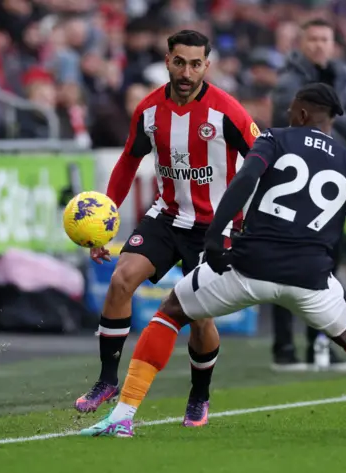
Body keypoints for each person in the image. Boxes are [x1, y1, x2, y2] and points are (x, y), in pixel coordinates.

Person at [80, 83, 346, 438]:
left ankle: (123, 415)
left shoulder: (276, 138)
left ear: (304, 113)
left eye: (292, 109)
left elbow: (244, 180)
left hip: (251, 266)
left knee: (171, 312)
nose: (288, 113)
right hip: (312, 279)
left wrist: (215, 237)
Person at [74, 30, 260, 428]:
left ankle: (199, 394)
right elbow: (127, 162)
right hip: (167, 216)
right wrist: (103, 224)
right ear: (167, 61)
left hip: (213, 228)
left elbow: (263, 162)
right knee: (122, 279)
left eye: (195, 64)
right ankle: (107, 381)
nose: (187, 72)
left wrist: (248, 219)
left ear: (206, 66)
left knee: (200, 318)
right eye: (180, 62)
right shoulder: (148, 110)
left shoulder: (229, 113)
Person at [270, 18, 346, 369]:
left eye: (324, 39)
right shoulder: (288, 80)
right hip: (296, 182)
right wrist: (337, 114)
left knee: (326, 264)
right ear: (302, 43)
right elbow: (288, 122)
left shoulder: (343, 77)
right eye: (312, 38)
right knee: (285, 266)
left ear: (333, 44)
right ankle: (285, 348)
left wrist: (330, 114)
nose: (318, 45)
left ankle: (321, 344)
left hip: (331, 183)